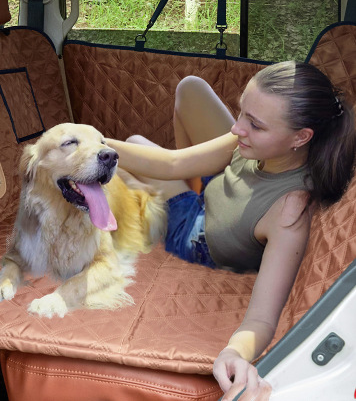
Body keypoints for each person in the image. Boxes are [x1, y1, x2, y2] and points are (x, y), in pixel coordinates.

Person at [105, 61, 356, 401]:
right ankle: (190, 186)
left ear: (301, 137)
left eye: (255, 124)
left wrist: (234, 352)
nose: (237, 128)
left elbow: (261, 320)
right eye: (242, 113)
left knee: (117, 167)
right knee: (190, 87)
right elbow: (173, 163)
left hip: (197, 234)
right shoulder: (255, 143)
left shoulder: (288, 211)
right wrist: (89, 140)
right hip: (218, 188)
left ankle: (172, 200)